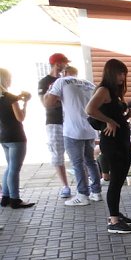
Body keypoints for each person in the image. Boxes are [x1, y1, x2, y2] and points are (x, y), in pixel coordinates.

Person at [85, 59, 131, 234]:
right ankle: (114, 221)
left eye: (124, 74)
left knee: (119, 180)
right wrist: (109, 121)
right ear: (111, 73)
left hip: (120, 140)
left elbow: (113, 114)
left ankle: (116, 214)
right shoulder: (104, 90)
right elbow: (89, 109)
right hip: (112, 143)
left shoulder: (114, 92)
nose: (122, 77)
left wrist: (125, 116)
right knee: (115, 181)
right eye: (120, 73)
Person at [43, 69, 103, 207]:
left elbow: (49, 103)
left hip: (73, 130)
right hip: (90, 128)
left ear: (65, 73)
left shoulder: (61, 82)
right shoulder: (89, 84)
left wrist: (49, 91)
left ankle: (82, 194)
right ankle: (96, 192)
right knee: (91, 161)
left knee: (77, 163)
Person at [37, 53, 72, 198]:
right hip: (54, 122)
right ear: (58, 63)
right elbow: (45, 103)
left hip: (70, 121)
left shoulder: (66, 80)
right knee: (57, 155)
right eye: (64, 62)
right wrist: (58, 101)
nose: (66, 65)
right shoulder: (44, 82)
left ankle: (83, 184)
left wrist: (57, 100)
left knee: (76, 153)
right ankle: (65, 186)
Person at [0, 69, 35, 209]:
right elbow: (20, 118)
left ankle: (5, 197)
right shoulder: (11, 98)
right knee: (14, 169)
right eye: (9, 78)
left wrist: (19, 97)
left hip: (3, 136)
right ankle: (15, 199)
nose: (10, 80)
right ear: (5, 80)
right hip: (16, 136)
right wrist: (25, 104)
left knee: (9, 167)